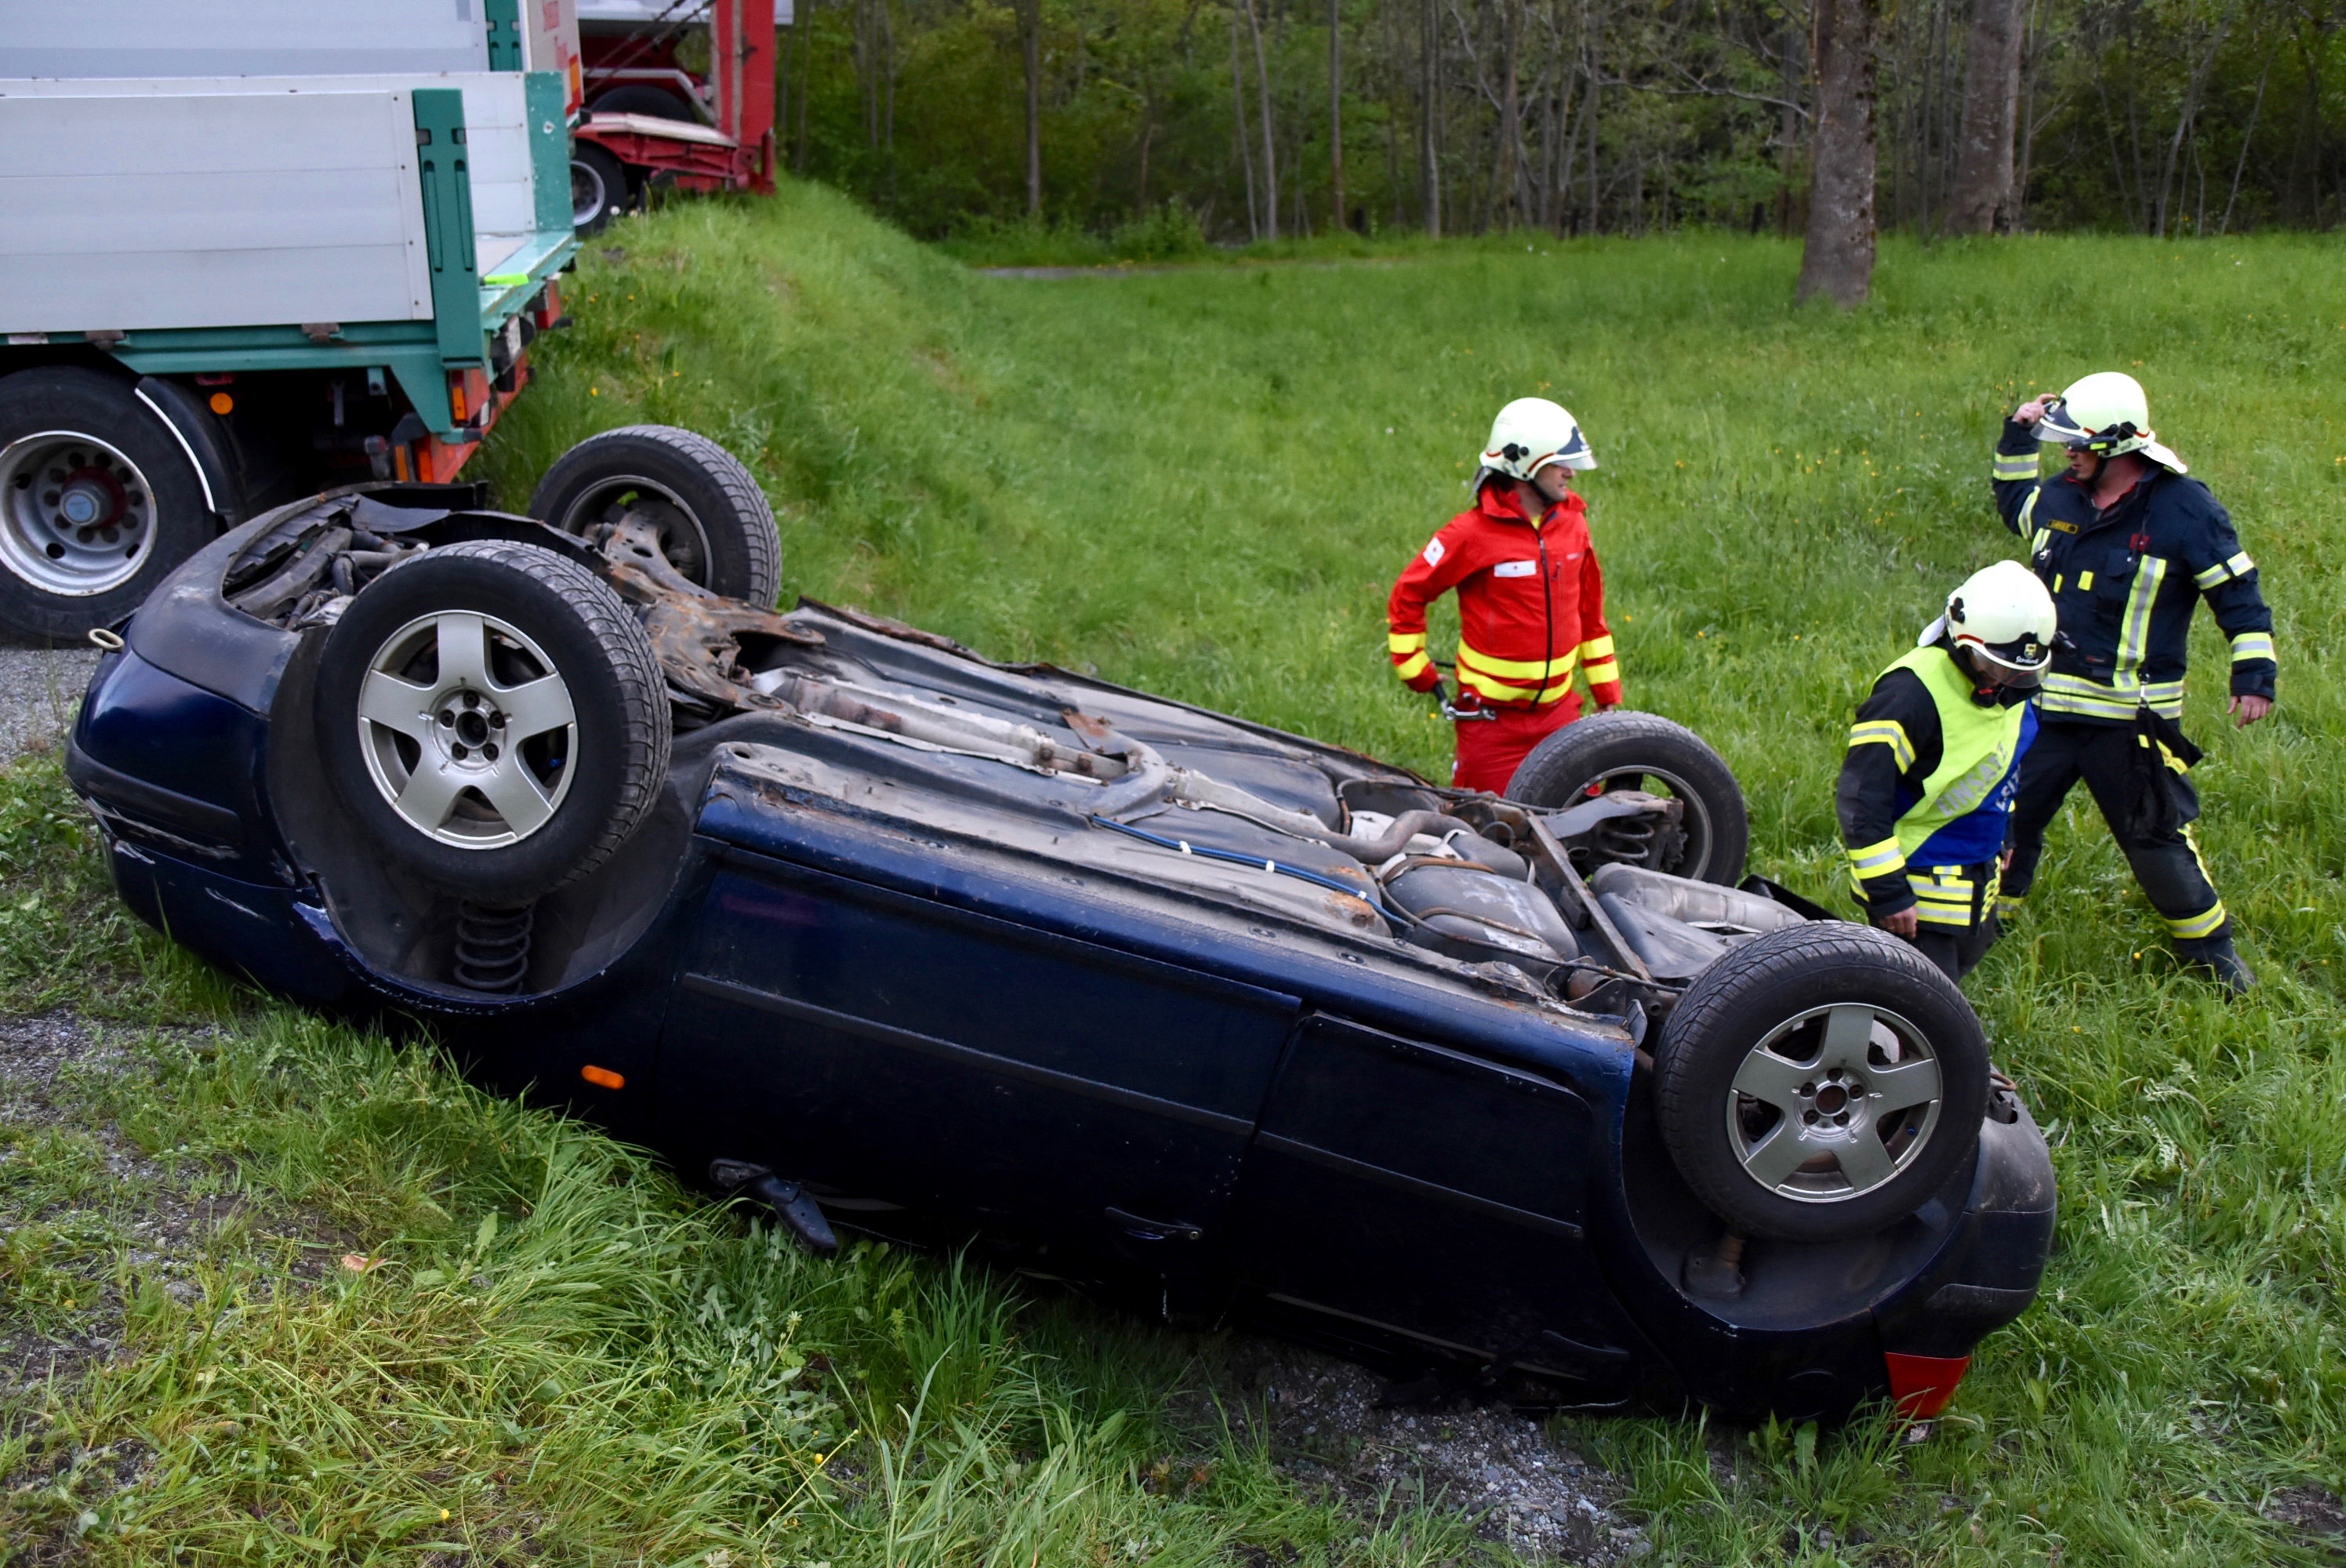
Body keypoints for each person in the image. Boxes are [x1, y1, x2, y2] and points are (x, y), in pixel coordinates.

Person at [1992, 371, 2275, 991]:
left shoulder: (2184, 509)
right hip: (2041, 712)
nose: (2068, 453)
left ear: (2116, 445)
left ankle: (2214, 959)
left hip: (2128, 723)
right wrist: (2017, 437)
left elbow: (2238, 594)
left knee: (2154, 840)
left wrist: (2254, 674)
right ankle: (1986, 930)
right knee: (2005, 823)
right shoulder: (2063, 497)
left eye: (2078, 444)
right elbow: (2017, 508)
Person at [1386, 398, 1621, 794]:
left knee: (1581, 821)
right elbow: (1410, 592)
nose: (1570, 473)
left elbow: (1590, 616)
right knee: (1489, 825)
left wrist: (1607, 693)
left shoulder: (1574, 526)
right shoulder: (1470, 534)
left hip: (1560, 717)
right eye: (1560, 463)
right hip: (1490, 726)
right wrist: (1414, 669)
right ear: (1525, 465)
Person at [1838, 561, 2054, 983]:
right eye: (1996, 667)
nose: (2008, 679)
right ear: (1962, 640)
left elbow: (1995, 767)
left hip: (1975, 886)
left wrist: (2007, 833)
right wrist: (1888, 892)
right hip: (1915, 895)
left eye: (2020, 671)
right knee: (1917, 1008)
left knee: (1946, 993)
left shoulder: (2011, 687)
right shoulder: (1908, 695)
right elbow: (1862, 800)